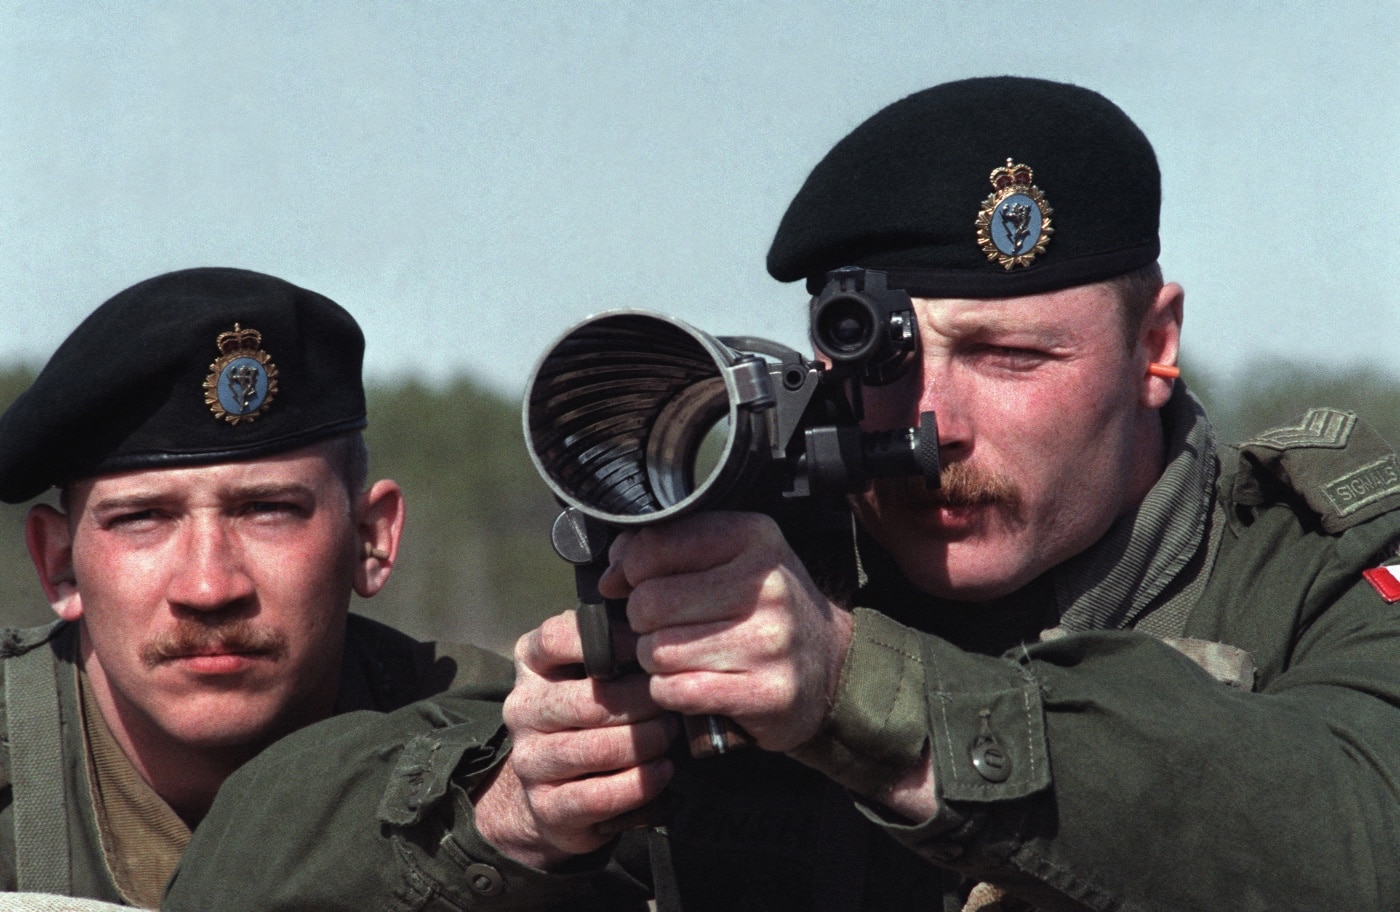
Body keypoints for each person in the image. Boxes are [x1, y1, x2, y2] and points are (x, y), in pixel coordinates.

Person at [165, 77, 1400, 911]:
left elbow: (1354, 827)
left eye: (1012, 357)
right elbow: (241, 868)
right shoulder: (773, 575)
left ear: (1153, 344)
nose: (938, 424)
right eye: (888, 363)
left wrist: (859, 693)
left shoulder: (1316, 559)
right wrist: (502, 814)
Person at [0, 267, 513, 907]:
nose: (210, 587)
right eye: (142, 518)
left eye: (266, 510)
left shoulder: (505, 749)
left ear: (370, 539)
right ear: (59, 565)